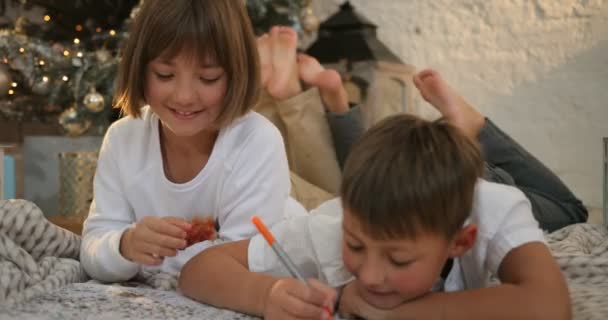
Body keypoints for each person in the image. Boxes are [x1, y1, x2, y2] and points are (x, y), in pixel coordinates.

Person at [178, 71, 571, 320]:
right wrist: (267, 296)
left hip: (490, 183)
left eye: (398, 258)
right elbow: (200, 270)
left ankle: (470, 130)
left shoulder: (493, 208)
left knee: (568, 210)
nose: (369, 275)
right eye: (356, 246)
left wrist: (404, 314)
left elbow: (550, 305)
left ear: (459, 241)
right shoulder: (336, 223)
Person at [257, 27, 587, 232]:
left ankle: (318, 105)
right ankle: (325, 105)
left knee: (365, 177)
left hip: (453, 183)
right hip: (454, 182)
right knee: (570, 210)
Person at [80, 0, 297, 282]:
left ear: (236, 75)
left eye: (208, 78)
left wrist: (156, 264)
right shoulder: (123, 138)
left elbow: (247, 264)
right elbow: (93, 247)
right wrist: (125, 245)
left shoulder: (257, 141)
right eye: (164, 75)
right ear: (140, 69)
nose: (184, 96)